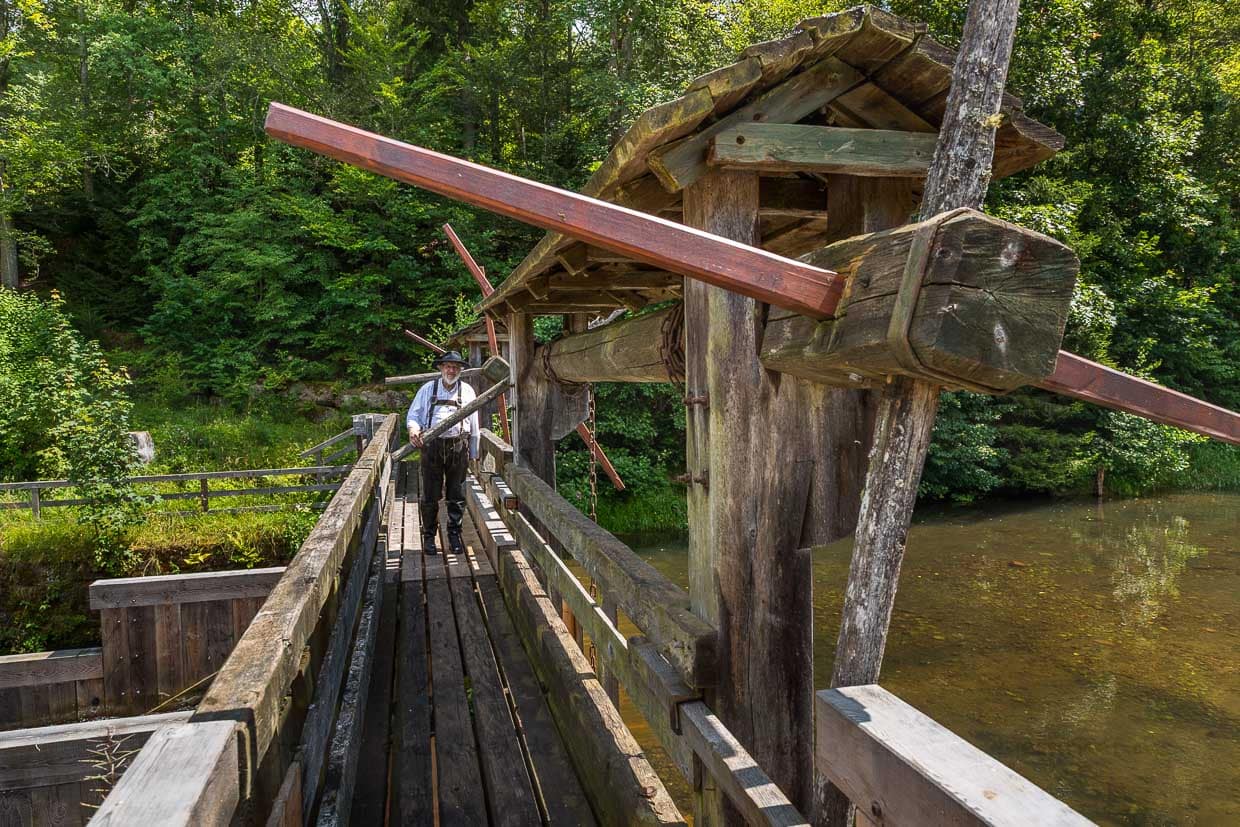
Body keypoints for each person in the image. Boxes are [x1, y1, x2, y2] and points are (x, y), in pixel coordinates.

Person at [406, 351, 479, 554]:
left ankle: (454, 536)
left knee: (457, 495)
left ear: (460, 370)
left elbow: (474, 424)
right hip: (432, 448)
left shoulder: (468, 391)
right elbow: (413, 415)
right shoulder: (428, 389)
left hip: (458, 447)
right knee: (430, 496)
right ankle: (429, 537)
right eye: (447, 366)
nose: (451, 370)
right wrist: (413, 429)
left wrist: (474, 452)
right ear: (440, 368)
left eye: (455, 367)